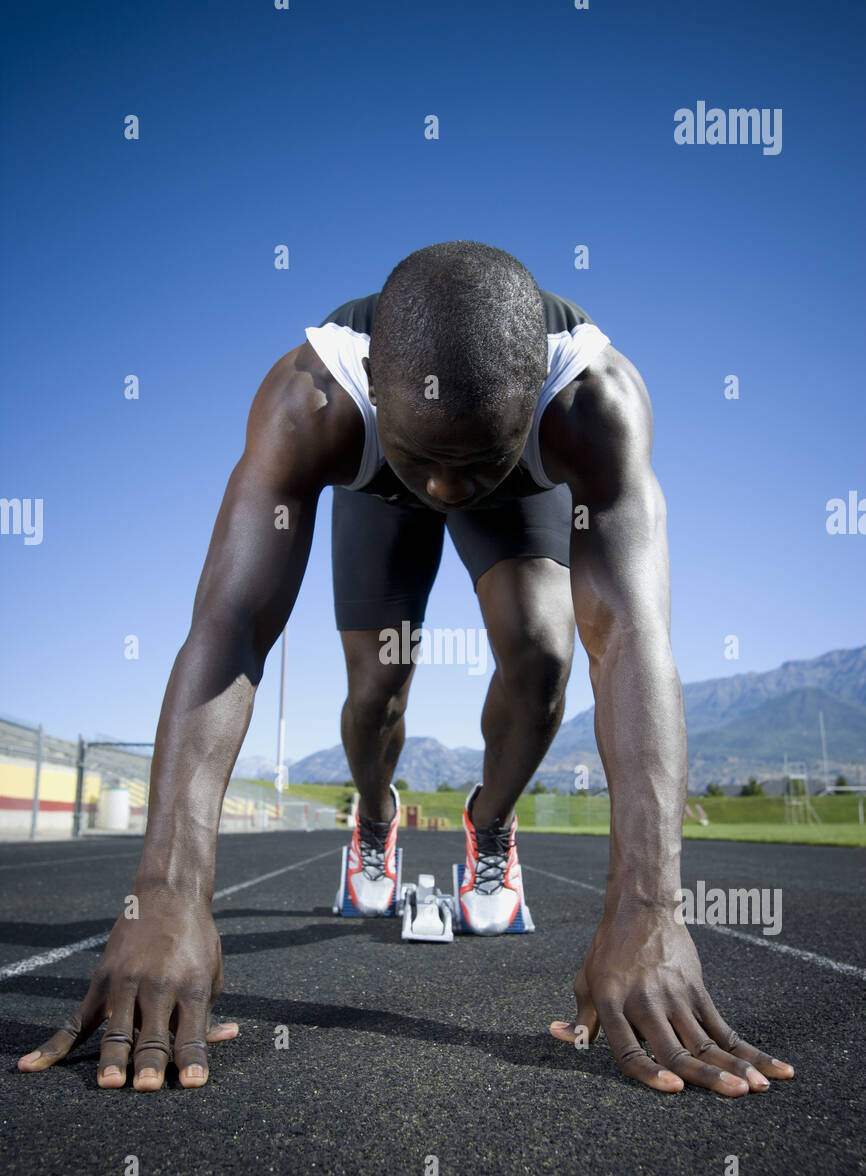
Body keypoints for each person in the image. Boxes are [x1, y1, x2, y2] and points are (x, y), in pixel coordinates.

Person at [18, 241, 794, 1096]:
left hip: (515, 482)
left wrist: (650, 912)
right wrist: (165, 894)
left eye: (468, 469)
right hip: (372, 485)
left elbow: (635, 641)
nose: (445, 495)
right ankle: (377, 816)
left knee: (544, 655)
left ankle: (489, 827)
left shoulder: (592, 401)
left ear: (534, 395)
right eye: (426, 464)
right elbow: (230, 626)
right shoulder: (310, 399)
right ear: (377, 389)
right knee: (377, 689)